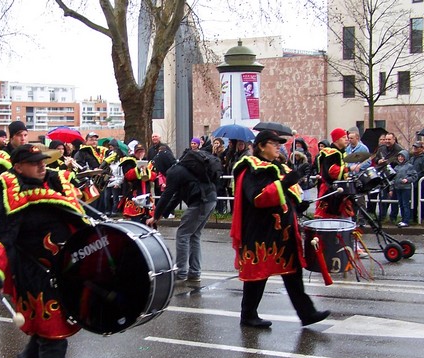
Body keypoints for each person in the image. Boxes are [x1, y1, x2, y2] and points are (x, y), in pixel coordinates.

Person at [0, 143, 90, 358]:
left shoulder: (57, 183)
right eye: (34, 162)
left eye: (43, 160)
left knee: (48, 331)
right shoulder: (11, 193)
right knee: (54, 335)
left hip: (65, 268)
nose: (42, 165)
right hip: (33, 274)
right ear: (18, 166)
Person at [230, 131, 330, 329]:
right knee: (258, 274)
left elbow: (285, 195)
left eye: (279, 143)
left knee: (293, 272)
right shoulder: (251, 169)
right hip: (260, 232)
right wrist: (285, 182)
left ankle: (307, 313)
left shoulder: (277, 167)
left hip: (282, 232)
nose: (278, 146)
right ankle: (248, 315)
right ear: (261, 146)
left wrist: (297, 203)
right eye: (273, 143)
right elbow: (257, 198)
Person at [147, 146, 220, 283]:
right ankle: (194, 272)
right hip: (210, 198)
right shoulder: (182, 168)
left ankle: (181, 272)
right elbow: (177, 196)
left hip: (200, 201)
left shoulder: (174, 172)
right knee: (194, 235)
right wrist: (162, 214)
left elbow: (167, 195)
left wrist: (155, 216)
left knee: (183, 234)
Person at [314, 127, 354, 219]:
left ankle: (344, 233)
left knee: (345, 216)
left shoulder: (342, 152)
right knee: (327, 217)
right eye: (344, 137)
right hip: (330, 189)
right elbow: (331, 171)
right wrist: (348, 169)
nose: (347, 140)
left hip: (341, 189)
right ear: (337, 139)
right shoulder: (330, 153)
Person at [119, 143, 156, 222]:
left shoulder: (149, 162)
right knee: (136, 220)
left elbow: (154, 176)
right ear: (135, 152)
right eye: (138, 152)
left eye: (142, 152)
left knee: (148, 219)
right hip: (134, 194)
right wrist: (138, 169)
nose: (140, 154)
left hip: (146, 194)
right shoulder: (129, 162)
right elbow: (128, 176)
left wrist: (146, 170)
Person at [390, 151, 418, 227]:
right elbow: (393, 179)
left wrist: (407, 180)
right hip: (397, 188)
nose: (400, 158)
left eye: (402, 156)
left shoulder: (409, 166)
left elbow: (414, 176)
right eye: (399, 156)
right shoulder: (396, 167)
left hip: (406, 188)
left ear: (406, 157)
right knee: (401, 204)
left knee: (405, 204)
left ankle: (406, 220)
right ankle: (403, 219)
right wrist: (391, 189)